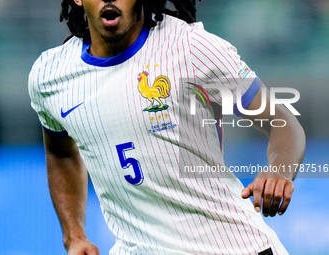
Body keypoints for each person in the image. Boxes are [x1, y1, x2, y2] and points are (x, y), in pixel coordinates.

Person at [28, 0, 305, 254]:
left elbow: (282, 124)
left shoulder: (192, 47)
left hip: (234, 246)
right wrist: (73, 235)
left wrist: (279, 170)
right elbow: (61, 153)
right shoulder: (51, 75)